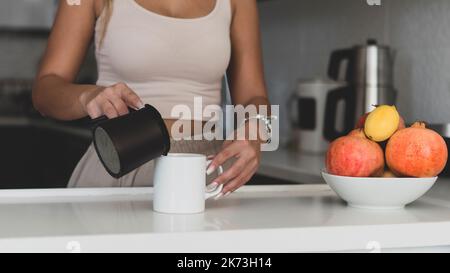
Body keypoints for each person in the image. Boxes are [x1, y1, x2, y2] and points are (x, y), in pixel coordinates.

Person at [32, 0, 270, 197]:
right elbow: (44, 91)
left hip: (208, 172)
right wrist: (87, 97)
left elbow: (254, 95)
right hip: (120, 162)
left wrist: (258, 132)